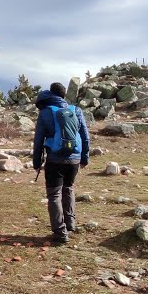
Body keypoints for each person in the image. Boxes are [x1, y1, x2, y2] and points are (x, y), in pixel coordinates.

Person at [32, 82, 91, 243]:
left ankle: (60, 233)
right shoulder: (76, 110)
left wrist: (36, 162)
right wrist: (85, 158)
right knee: (68, 188)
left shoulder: (45, 113)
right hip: (74, 159)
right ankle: (70, 222)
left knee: (54, 194)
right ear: (64, 96)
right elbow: (85, 136)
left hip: (55, 159)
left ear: (50, 94)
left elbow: (38, 140)